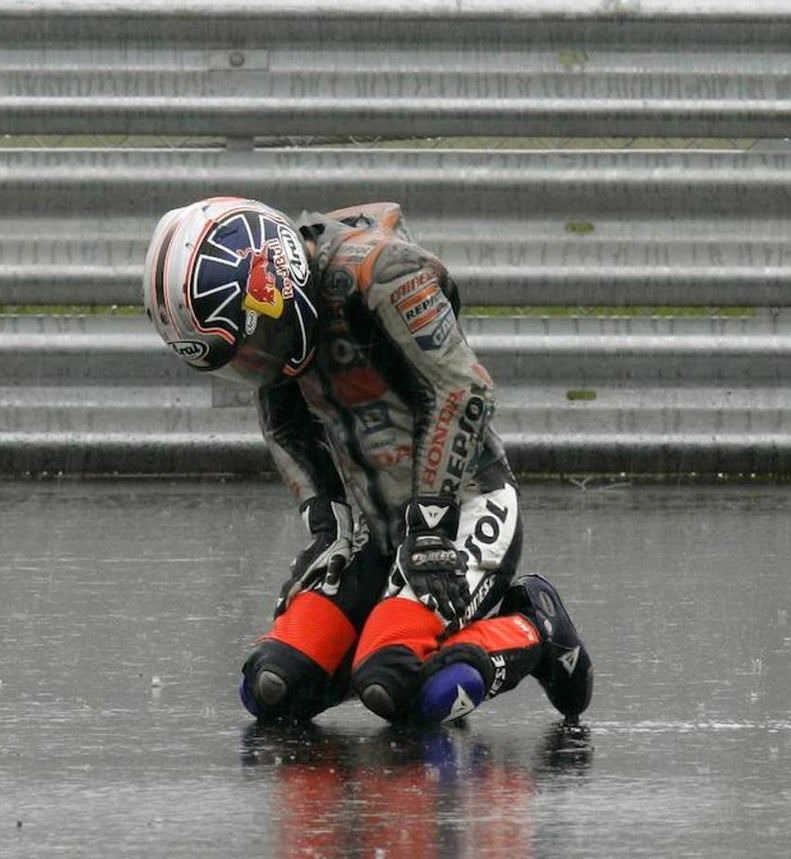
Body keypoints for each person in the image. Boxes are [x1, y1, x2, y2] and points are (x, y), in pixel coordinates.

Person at [142, 196, 593, 726]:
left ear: (277, 281)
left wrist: (429, 523)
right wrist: (325, 525)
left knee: (399, 684)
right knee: (270, 685)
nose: (255, 362)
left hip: (461, 509)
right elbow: (286, 425)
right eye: (238, 358)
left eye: (255, 341)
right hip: (371, 525)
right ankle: (394, 635)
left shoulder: (382, 273)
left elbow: (464, 389)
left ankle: (536, 627)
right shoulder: (277, 331)